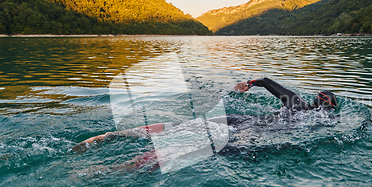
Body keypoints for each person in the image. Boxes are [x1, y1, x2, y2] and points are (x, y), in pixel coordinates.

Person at [72, 77, 338, 171]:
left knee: (185, 126)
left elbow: (267, 81)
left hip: (245, 120)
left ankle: (114, 135)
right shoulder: (319, 122)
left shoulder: (297, 103)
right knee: (196, 148)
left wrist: (250, 84)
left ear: (316, 99)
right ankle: (122, 168)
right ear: (328, 108)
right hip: (256, 133)